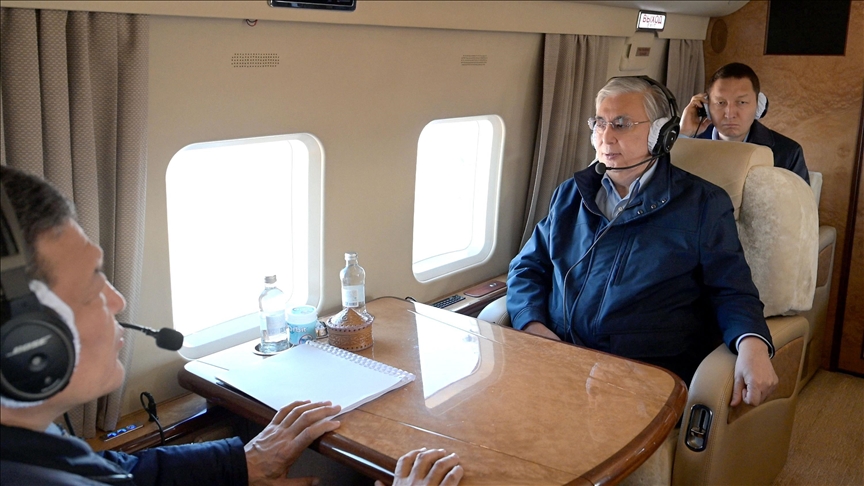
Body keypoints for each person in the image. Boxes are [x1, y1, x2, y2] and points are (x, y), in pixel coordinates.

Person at [0, 165, 463, 486]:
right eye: (89, 288)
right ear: (24, 342)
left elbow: (120, 474)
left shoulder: (33, 445)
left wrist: (242, 462)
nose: (116, 301)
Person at [507, 76, 779, 405]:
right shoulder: (570, 195)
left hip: (639, 377)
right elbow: (527, 266)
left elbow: (732, 290)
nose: (606, 137)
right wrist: (532, 325)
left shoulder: (703, 204)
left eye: (621, 124)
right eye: (600, 123)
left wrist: (752, 344)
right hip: (559, 361)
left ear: (662, 134)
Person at [680, 62, 810, 184]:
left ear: (759, 106)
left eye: (741, 102)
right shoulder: (690, 144)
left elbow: (801, 201)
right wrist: (683, 134)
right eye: (720, 103)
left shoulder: (788, 153)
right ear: (707, 107)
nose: (730, 114)